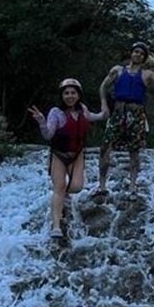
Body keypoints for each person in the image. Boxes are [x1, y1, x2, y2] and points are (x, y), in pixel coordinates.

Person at [27, 78, 109, 238]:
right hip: (58, 154)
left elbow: (97, 116)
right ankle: (56, 226)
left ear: (78, 95)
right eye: (66, 93)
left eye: (73, 93)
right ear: (62, 96)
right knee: (59, 188)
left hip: (77, 154)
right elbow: (48, 135)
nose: (70, 96)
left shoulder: (83, 110)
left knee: (77, 187)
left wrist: (104, 107)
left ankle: (60, 196)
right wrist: (42, 122)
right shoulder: (56, 113)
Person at [96, 41, 154, 196]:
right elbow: (103, 86)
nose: (138, 54)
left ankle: (132, 185)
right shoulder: (117, 70)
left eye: (141, 53)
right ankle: (102, 185)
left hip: (136, 115)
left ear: (144, 58)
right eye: (136, 51)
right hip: (118, 112)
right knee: (105, 147)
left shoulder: (147, 74)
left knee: (134, 151)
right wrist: (104, 105)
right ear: (131, 53)